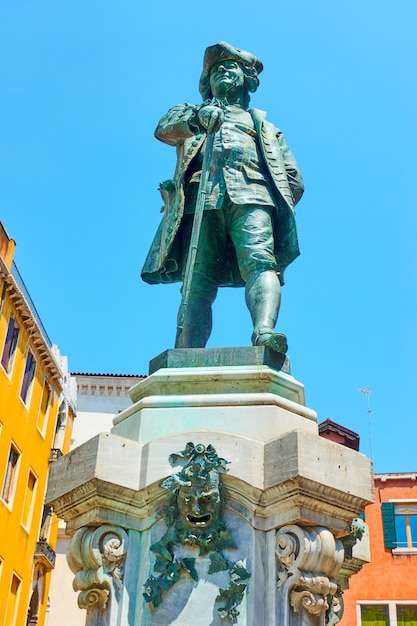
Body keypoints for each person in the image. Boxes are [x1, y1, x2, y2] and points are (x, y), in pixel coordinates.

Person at [141, 42, 304, 353]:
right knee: (197, 279)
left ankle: (265, 332)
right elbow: (164, 128)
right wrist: (198, 117)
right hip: (201, 199)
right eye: (217, 70)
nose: (224, 72)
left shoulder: (266, 129)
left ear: (248, 81)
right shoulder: (193, 113)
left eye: (232, 68)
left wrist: (272, 205)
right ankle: (187, 350)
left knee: (260, 261)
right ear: (207, 83)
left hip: (254, 196)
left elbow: (294, 180)